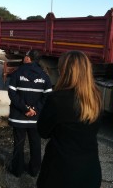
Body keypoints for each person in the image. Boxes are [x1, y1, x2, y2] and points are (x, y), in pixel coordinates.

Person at [37, 50, 102, 188]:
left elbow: (43, 132)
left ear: (65, 71)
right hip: (90, 171)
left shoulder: (57, 99)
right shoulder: (96, 97)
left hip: (60, 171)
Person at [7, 50, 52, 178]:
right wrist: (35, 109)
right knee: (36, 144)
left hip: (18, 118)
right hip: (35, 119)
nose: (24, 58)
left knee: (19, 144)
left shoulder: (17, 73)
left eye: (25, 56)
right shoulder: (44, 76)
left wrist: (24, 108)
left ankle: (17, 170)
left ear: (29, 59)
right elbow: (47, 96)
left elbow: (12, 93)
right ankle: (34, 170)